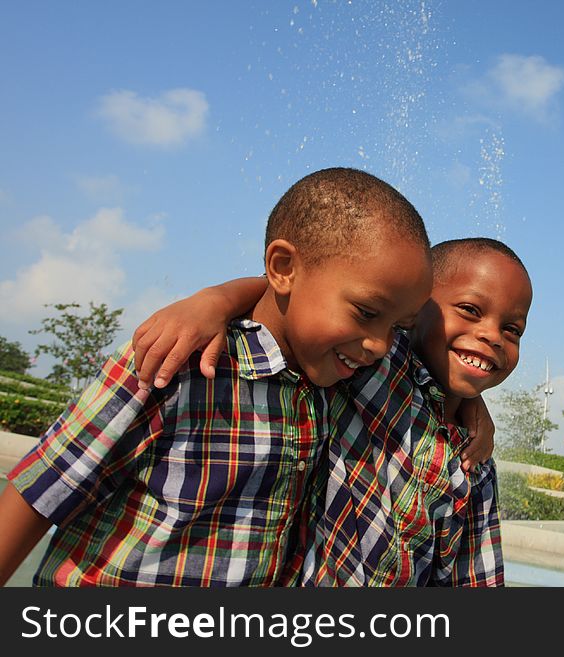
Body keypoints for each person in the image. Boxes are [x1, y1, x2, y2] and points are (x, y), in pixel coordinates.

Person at [0, 167, 436, 586]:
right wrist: (214, 301)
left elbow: (440, 366)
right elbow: (41, 492)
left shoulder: (338, 378)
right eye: (367, 313)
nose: (381, 345)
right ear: (282, 267)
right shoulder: (177, 360)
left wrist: (474, 409)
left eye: (397, 327)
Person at [130, 237, 532, 586]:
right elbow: (301, 291)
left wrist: (470, 401)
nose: (492, 336)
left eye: (512, 330)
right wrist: (214, 300)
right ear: (412, 312)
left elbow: (474, 575)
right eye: (470, 310)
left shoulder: (474, 463)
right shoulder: (377, 367)